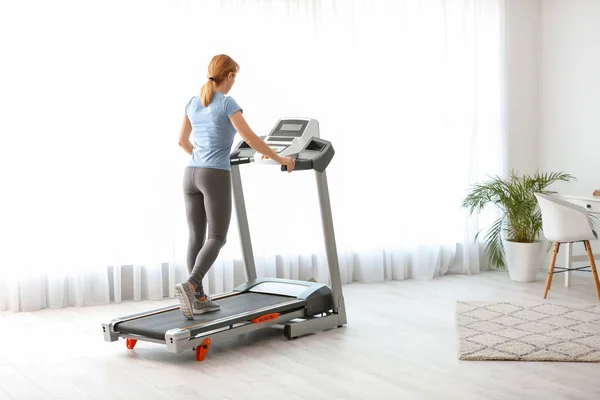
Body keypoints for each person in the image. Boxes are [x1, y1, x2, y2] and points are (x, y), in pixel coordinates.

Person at [174, 54, 295, 320]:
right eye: (234, 77)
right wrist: (280, 158)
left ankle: (199, 298)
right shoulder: (228, 103)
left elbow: (182, 141)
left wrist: (201, 157)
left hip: (190, 174)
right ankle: (191, 284)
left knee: (196, 236)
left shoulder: (193, 102)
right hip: (214, 174)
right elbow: (251, 138)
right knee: (217, 237)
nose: (233, 83)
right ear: (228, 76)